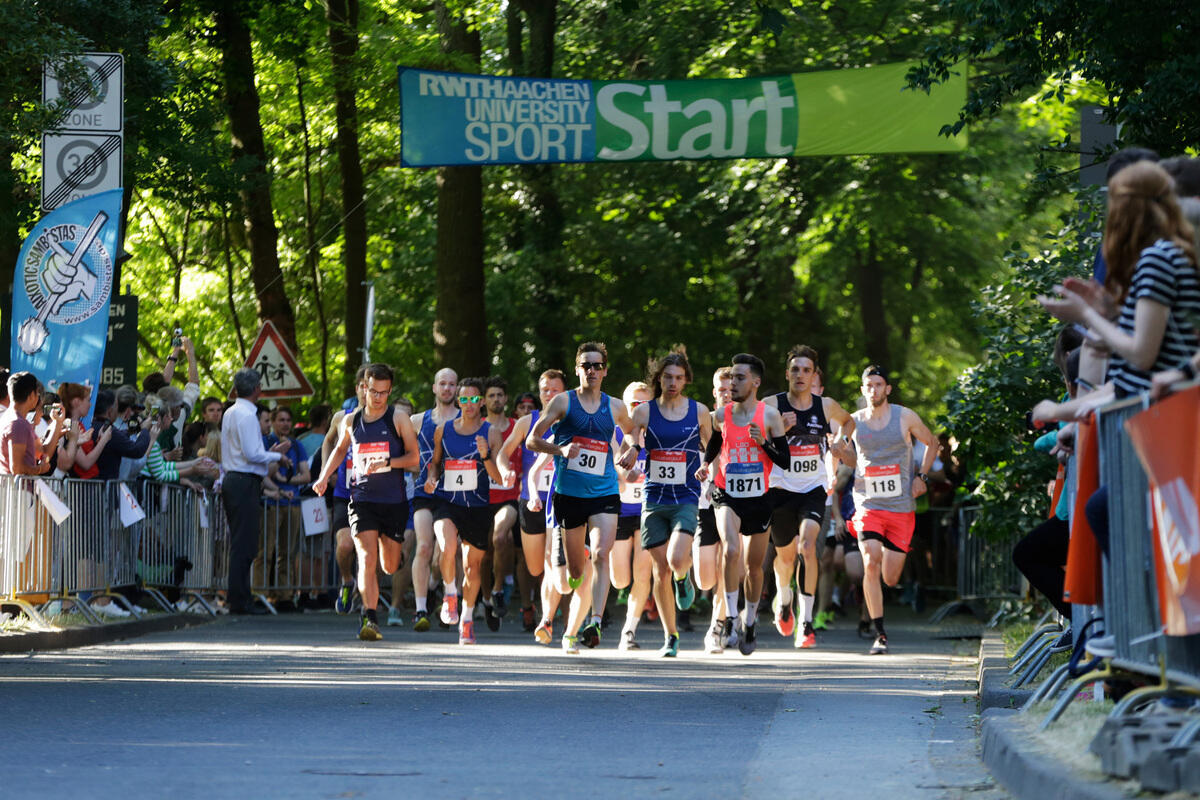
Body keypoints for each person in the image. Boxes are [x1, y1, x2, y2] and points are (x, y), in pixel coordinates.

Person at [527, 342, 634, 653]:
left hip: (605, 492)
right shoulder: (563, 402)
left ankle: (595, 622)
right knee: (574, 573)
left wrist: (632, 449)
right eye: (586, 365)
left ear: (605, 371)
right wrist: (559, 450)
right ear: (577, 370)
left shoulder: (615, 407)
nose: (592, 370)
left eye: (597, 365)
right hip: (569, 495)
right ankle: (578, 565)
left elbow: (632, 432)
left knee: (601, 554)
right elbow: (533, 440)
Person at [314, 363, 419, 641]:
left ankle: (396, 557)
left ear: (390, 391)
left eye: (383, 393)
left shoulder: (399, 419)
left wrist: (388, 462)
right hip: (362, 500)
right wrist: (323, 477)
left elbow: (414, 458)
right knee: (365, 557)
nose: (377, 398)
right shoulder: (351, 420)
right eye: (373, 391)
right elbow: (339, 450)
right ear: (364, 388)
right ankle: (369, 618)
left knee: (389, 565)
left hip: (393, 502)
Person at [619, 349, 713, 657]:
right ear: (659, 379)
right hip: (654, 497)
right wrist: (632, 450)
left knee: (675, 559)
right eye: (668, 377)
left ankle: (683, 577)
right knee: (660, 570)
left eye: (679, 378)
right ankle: (670, 636)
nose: (673, 383)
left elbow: (713, 444)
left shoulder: (698, 411)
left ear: (686, 380)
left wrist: (707, 465)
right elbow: (629, 439)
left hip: (685, 496)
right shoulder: (644, 411)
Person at [696, 353, 790, 655]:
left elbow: (784, 461)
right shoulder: (721, 415)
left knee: (753, 567)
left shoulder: (770, 416)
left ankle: (749, 620)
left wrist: (763, 443)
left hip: (759, 498)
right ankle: (730, 619)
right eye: (732, 377)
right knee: (731, 550)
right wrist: (706, 464)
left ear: (755, 382)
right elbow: (715, 441)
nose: (733, 383)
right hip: (727, 493)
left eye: (740, 378)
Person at [763, 346, 855, 648]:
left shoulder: (825, 406)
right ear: (787, 373)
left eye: (806, 370)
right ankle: (784, 598)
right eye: (795, 369)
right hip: (780, 490)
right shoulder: (771, 405)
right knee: (785, 558)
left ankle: (806, 622)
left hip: (813, 489)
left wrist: (840, 442)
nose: (800, 375)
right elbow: (750, 437)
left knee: (807, 547)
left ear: (814, 374)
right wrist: (777, 431)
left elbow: (849, 421)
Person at [850, 366, 938, 655]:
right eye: (868, 385)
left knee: (890, 577)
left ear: (887, 389)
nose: (873, 390)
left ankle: (885, 599)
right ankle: (880, 634)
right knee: (870, 560)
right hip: (868, 504)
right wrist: (836, 461)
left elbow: (932, 442)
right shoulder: (854, 422)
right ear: (862, 389)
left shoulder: (905, 417)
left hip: (900, 508)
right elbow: (844, 454)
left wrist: (921, 477)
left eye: (878, 384)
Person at [424, 377, 506, 644]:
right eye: (464, 399)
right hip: (447, 502)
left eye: (474, 399)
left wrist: (485, 456)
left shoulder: (491, 433)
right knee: (447, 546)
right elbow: (435, 463)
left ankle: (467, 618)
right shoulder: (443, 430)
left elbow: (498, 477)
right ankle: (450, 593)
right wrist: (432, 478)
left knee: (472, 567)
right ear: (458, 401)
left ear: (481, 402)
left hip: (478, 506)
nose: (469, 404)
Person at [497, 369, 568, 641]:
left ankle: (552, 620)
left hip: (561, 499)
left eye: (555, 390)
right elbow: (503, 453)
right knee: (536, 567)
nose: (549, 395)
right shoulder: (528, 422)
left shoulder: (573, 420)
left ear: (564, 392)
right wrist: (505, 470)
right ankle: (538, 608)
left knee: (553, 561)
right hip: (532, 501)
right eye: (545, 390)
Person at [220, 368, 294, 615]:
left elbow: (244, 452)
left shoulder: (230, 412)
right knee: (245, 543)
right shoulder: (248, 415)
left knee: (242, 542)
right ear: (257, 389)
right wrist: (277, 456)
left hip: (234, 478)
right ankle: (239, 600)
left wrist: (270, 454)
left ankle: (240, 597)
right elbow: (252, 453)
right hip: (243, 481)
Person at [409, 368, 459, 630]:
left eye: (451, 384)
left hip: (453, 495)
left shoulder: (465, 419)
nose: (447, 388)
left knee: (446, 551)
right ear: (434, 387)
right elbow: (403, 454)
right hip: (424, 493)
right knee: (424, 547)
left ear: (457, 388)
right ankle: (420, 610)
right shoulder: (417, 420)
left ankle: (435, 586)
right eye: (443, 383)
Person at [612, 382, 654, 651]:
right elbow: (608, 464)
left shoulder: (658, 433)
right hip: (619, 511)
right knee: (620, 579)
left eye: (643, 403)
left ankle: (629, 629)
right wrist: (621, 473)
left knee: (642, 573)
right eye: (633, 404)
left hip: (648, 511)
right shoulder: (615, 432)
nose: (638, 408)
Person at [323, 369, 368, 615]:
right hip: (344, 493)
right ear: (357, 388)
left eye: (371, 387)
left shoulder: (386, 418)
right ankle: (347, 581)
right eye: (362, 386)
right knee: (345, 545)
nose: (366, 391)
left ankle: (366, 597)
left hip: (373, 495)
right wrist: (326, 472)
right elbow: (328, 442)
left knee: (370, 552)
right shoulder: (342, 417)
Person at [261, 406, 310, 609]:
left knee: (288, 552)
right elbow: (262, 472)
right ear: (273, 422)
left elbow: (306, 475)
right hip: (270, 503)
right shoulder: (266, 442)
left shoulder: (297, 445)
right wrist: (277, 459)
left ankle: (285, 596)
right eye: (281, 420)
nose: (285, 424)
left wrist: (286, 480)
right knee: (265, 552)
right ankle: (260, 594)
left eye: (288, 420)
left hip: (292, 503)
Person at [483, 375, 520, 627]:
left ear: (506, 399)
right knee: (485, 554)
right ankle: (487, 600)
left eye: (499, 395)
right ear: (484, 400)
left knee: (500, 537)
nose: (496, 399)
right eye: (491, 395)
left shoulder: (516, 427)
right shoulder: (477, 428)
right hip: (483, 498)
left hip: (510, 496)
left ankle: (498, 588)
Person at [0, 371, 62, 475]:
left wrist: (57, 423)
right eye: (37, 394)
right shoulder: (18, 424)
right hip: (17, 485)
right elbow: (17, 468)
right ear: (32, 395)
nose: (38, 398)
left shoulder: (14, 420)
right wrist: (40, 469)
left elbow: (43, 452)